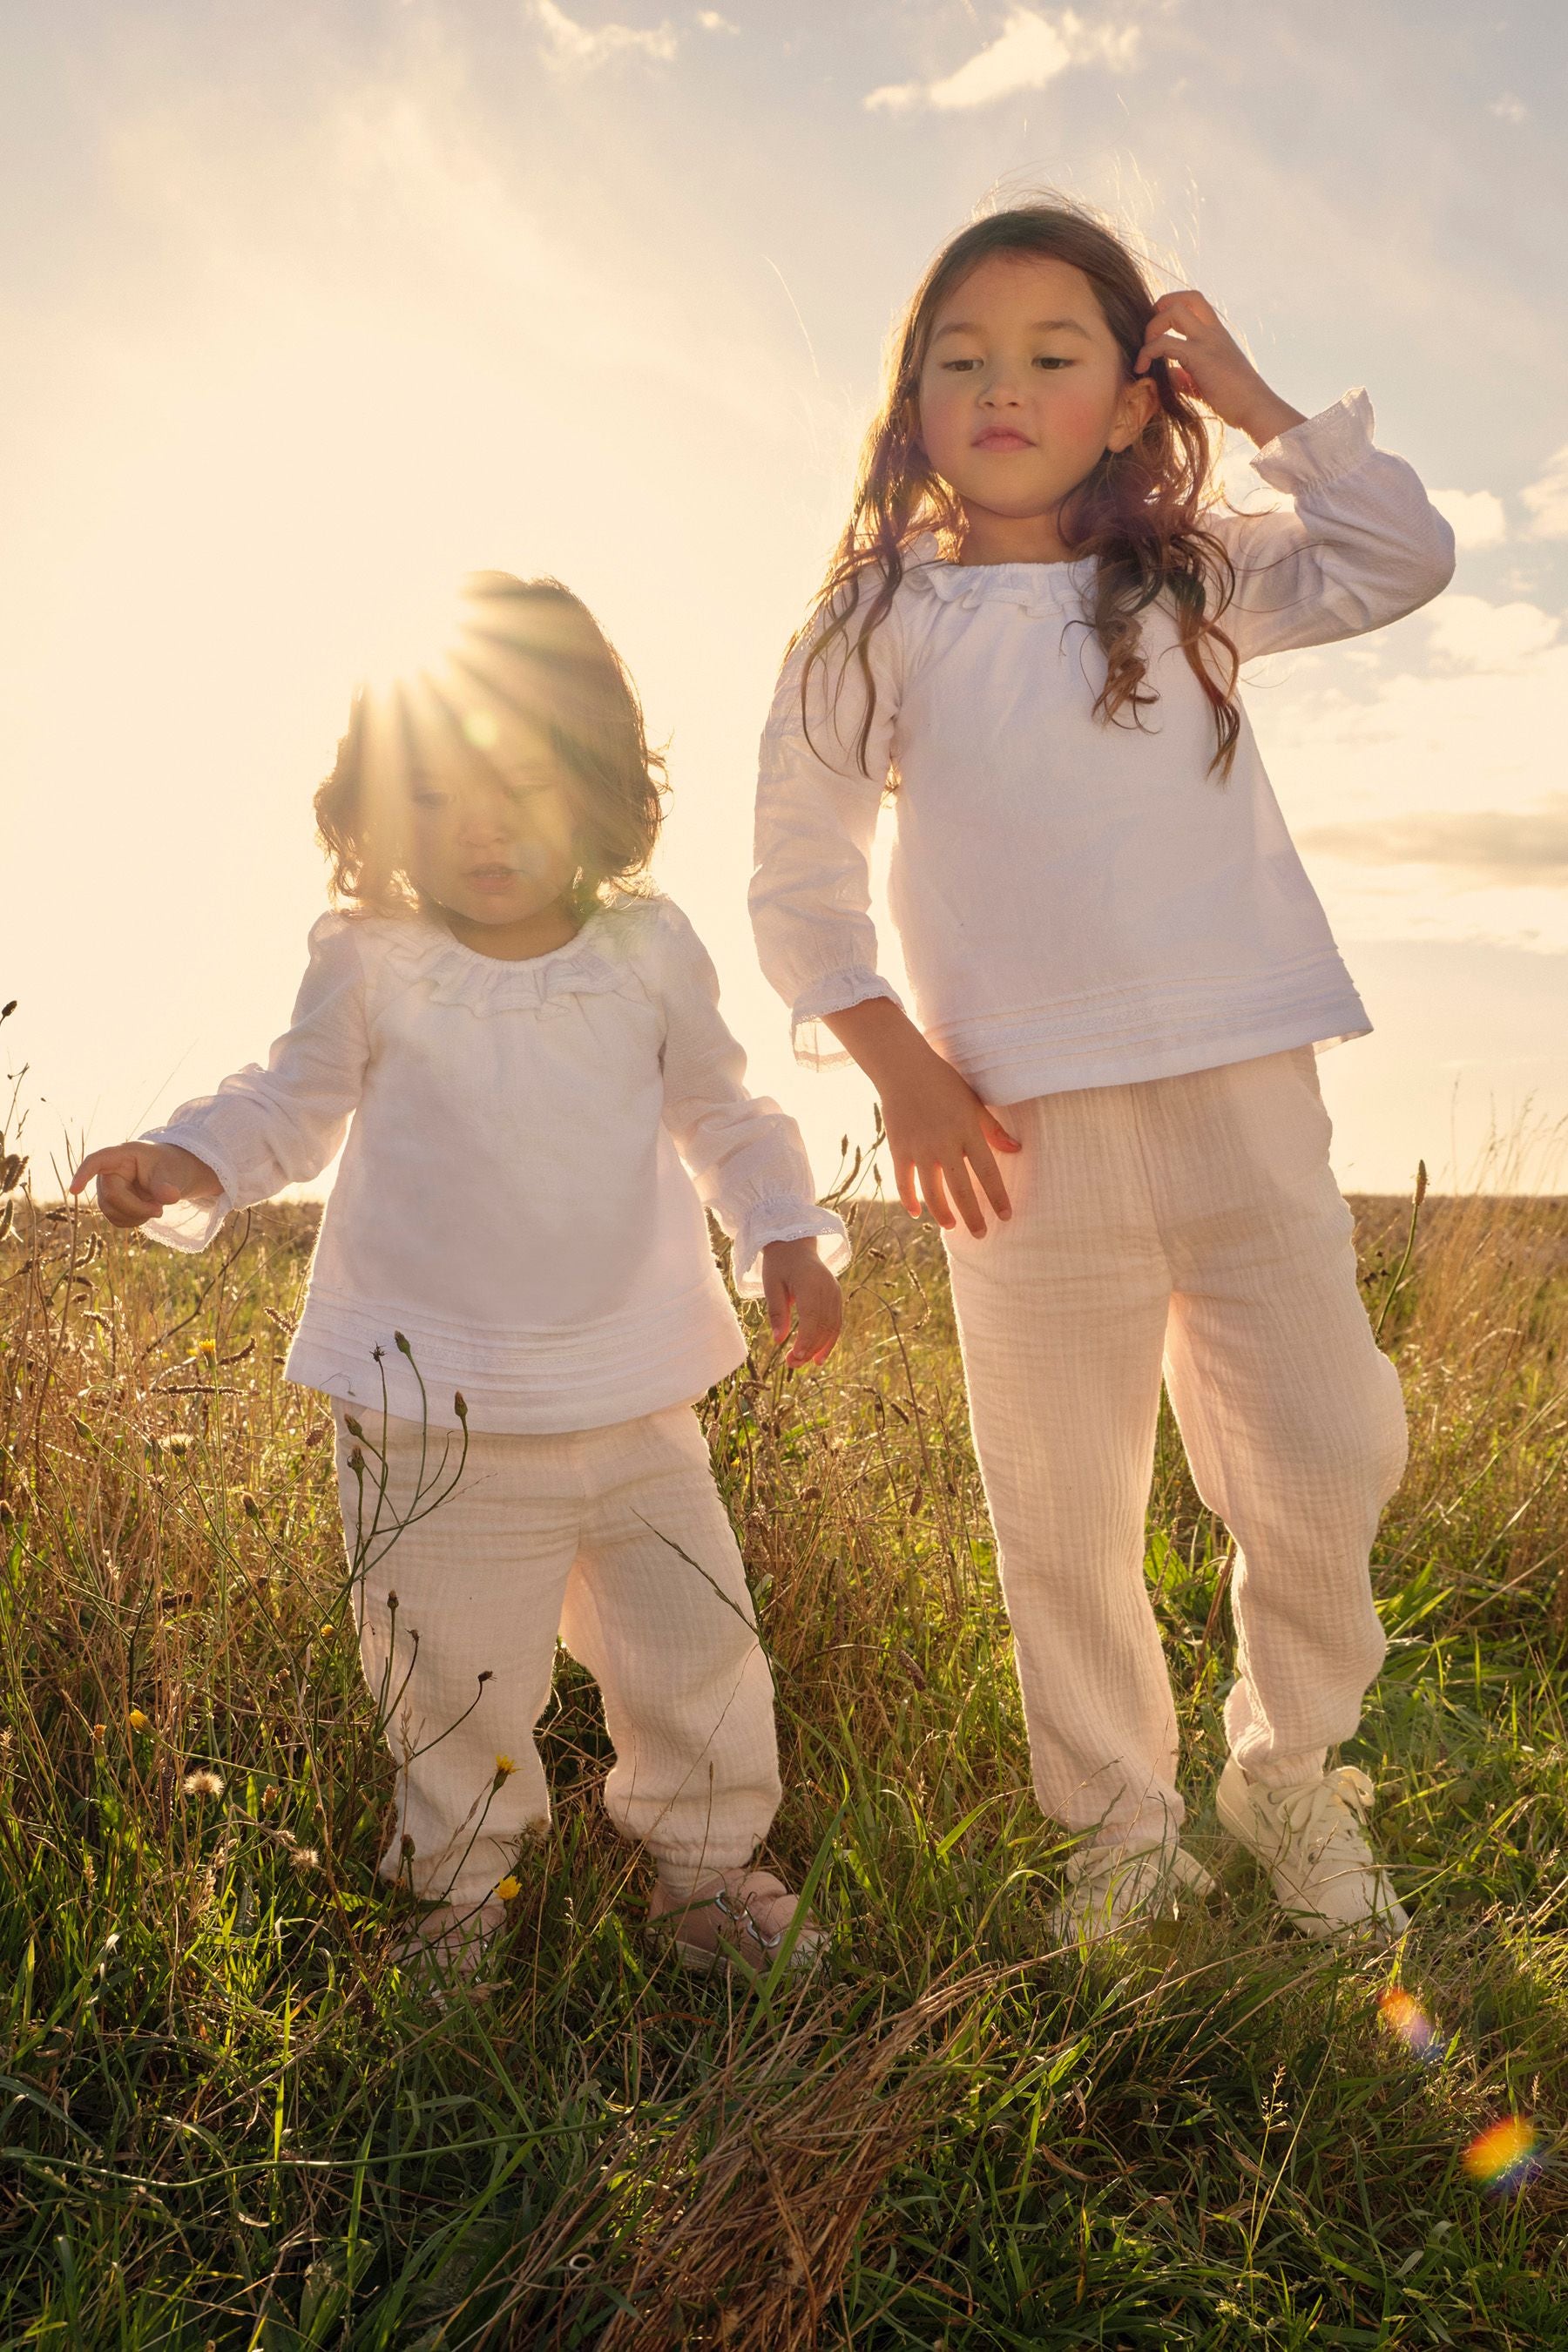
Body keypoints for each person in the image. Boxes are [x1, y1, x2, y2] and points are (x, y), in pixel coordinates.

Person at [749, 200, 1455, 1943]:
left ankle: (1293, 1776)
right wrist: (898, 1067)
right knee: (1059, 1508)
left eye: (1055, 356)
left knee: (1320, 1450)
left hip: (1243, 1087)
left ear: (1132, 397)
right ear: (910, 399)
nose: (1001, 387)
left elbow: (1399, 556)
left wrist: (1258, 394)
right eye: (960, 359)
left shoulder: (1192, 571)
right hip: (1007, 1128)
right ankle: (1118, 1829)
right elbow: (797, 877)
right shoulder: (872, 622)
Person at [74, 571, 848, 1983]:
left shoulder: (646, 951)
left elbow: (724, 1113)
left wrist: (781, 1227)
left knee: (697, 1650)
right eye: (435, 795)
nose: (483, 828)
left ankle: (707, 1871)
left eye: (524, 783)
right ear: (376, 814)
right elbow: (288, 1105)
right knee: (450, 1677)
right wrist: (184, 1158)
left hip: (633, 1393)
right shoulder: (374, 961)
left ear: (601, 785)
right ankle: (454, 1906)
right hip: (425, 1412)